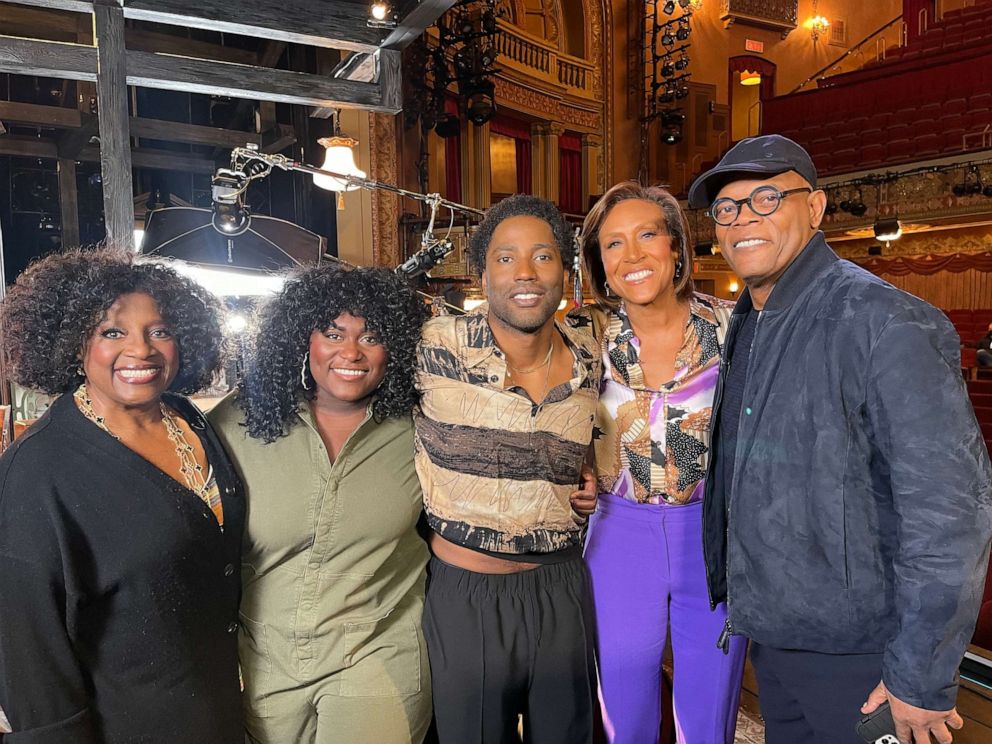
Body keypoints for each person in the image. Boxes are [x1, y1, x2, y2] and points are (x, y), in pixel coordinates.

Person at [687, 134, 992, 744]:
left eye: (767, 198)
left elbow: (950, 514)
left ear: (817, 208)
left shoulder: (886, 320)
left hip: (863, 658)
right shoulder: (750, 321)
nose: (742, 219)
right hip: (777, 641)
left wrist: (921, 673)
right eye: (727, 208)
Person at [0, 247, 243, 744]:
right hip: (128, 727)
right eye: (113, 332)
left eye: (160, 331)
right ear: (73, 343)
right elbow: (29, 648)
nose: (142, 350)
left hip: (221, 713)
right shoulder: (37, 471)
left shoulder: (192, 420)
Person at [208, 264, 432, 744]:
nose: (350, 352)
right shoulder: (236, 423)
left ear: (395, 348)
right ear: (302, 340)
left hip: (375, 651)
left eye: (371, 337)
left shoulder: (424, 429)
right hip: (263, 661)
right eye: (333, 333)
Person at [415, 194, 601, 743]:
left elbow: (612, 431)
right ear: (482, 271)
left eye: (543, 256)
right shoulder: (432, 347)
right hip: (464, 593)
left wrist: (592, 472)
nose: (525, 272)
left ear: (564, 270)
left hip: (562, 589)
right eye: (505, 257)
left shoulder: (594, 353)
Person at [573, 181, 745, 744]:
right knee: (623, 703)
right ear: (600, 263)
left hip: (716, 535)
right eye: (614, 244)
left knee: (710, 703)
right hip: (618, 533)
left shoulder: (735, 328)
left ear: (676, 247)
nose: (633, 256)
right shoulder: (584, 337)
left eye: (648, 235)